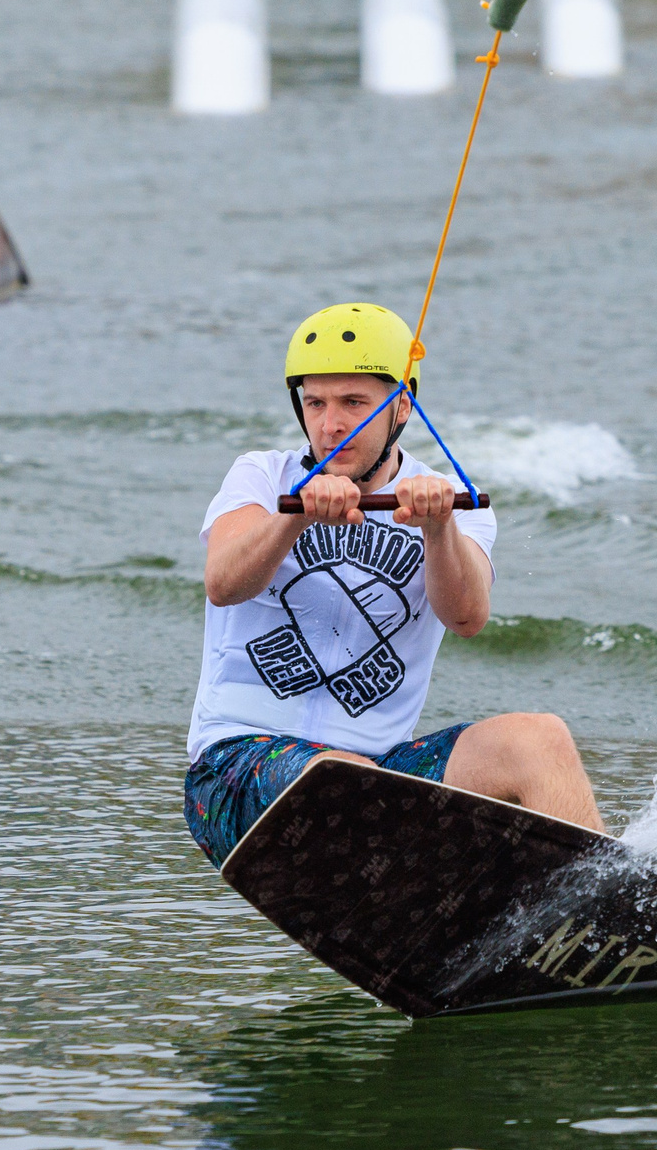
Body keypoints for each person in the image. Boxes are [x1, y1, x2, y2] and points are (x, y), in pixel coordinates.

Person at [184, 303, 605, 869]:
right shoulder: (263, 476)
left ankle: (598, 900)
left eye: (353, 403)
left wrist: (438, 528)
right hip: (237, 767)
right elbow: (223, 583)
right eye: (315, 403)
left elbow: (468, 618)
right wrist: (295, 516)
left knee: (540, 740)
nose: (331, 424)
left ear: (400, 405)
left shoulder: (451, 500)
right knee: (347, 778)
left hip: (379, 771)